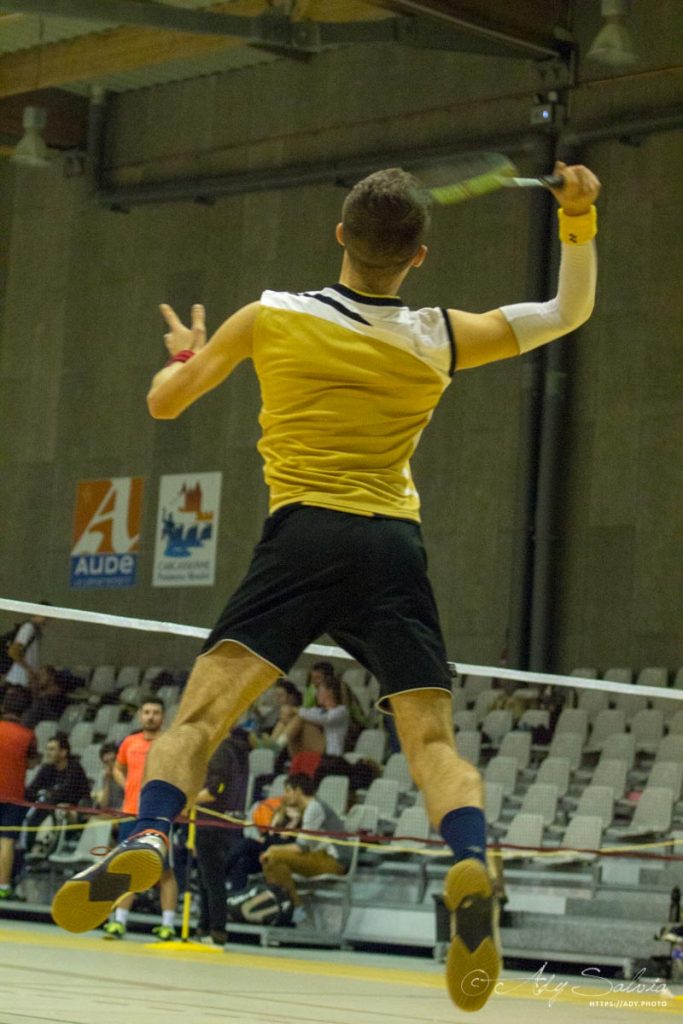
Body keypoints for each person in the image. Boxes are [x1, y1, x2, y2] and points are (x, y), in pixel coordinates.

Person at [52, 161, 600, 1012]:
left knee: (196, 719)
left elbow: (165, 404)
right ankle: (466, 859)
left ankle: (151, 832)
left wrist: (189, 357)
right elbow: (569, 311)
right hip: (392, 547)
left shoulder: (270, 317)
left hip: (301, 535)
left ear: (340, 236)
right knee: (432, 745)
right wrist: (577, 219)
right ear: (418, 256)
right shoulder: (440, 335)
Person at [101, 698, 179, 941]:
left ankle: (168, 925)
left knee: (163, 871)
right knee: (126, 867)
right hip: (130, 813)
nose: (151, 716)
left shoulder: (169, 743)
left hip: (158, 815)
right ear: (139, 716)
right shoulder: (129, 742)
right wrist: (127, 787)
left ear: (163, 717)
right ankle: (119, 922)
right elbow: (117, 767)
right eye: (146, 712)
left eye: (156, 712)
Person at [259, 773, 350, 915]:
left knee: (273, 855)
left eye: (288, 791)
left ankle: (292, 908)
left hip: (334, 862)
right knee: (273, 861)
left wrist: (272, 848)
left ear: (298, 791)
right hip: (319, 857)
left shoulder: (314, 808)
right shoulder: (310, 807)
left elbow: (301, 847)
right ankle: (292, 908)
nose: (285, 795)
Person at [194, 727, 250, 945]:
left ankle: (216, 930)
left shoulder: (220, 751)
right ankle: (205, 926)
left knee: (212, 880)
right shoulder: (241, 752)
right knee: (208, 878)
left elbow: (214, 791)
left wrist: (188, 799)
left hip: (211, 823)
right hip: (230, 823)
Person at [22, 732, 91, 862]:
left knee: (57, 808)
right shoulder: (47, 768)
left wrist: (45, 796)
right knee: (34, 812)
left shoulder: (74, 768)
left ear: (63, 752)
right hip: (51, 805)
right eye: (47, 749)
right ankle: (29, 849)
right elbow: (31, 790)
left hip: (76, 809)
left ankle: (48, 850)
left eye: (52, 749)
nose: (48, 752)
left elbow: (66, 792)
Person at [0, 688, 38, 898]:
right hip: (13, 796)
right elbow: (32, 762)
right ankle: (3, 887)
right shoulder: (28, 736)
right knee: (6, 841)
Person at [287, 676, 349, 756]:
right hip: (318, 746)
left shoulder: (342, 711)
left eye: (319, 690)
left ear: (329, 692)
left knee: (300, 718)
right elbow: (307, 713)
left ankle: (279, 744)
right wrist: (288, 711)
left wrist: (295, 710)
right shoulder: (320, 710)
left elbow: (325, 719)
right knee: (293, 719)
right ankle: (275, 744)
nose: (316, 694)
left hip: (331, 752)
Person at [3, 608, 50, 691]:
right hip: (17, 682)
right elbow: (13, 651)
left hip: (25, 683)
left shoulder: (36, 631)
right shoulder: (28, 628)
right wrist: (28, 669)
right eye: (46, 617)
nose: (47, 621)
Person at [91, 741, 124, 811]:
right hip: (110, 813)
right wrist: (107, 782)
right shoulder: (105, 777)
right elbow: (103, 805)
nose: (111, 765)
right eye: (106, 762)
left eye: (113, 760)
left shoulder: (128, 774)